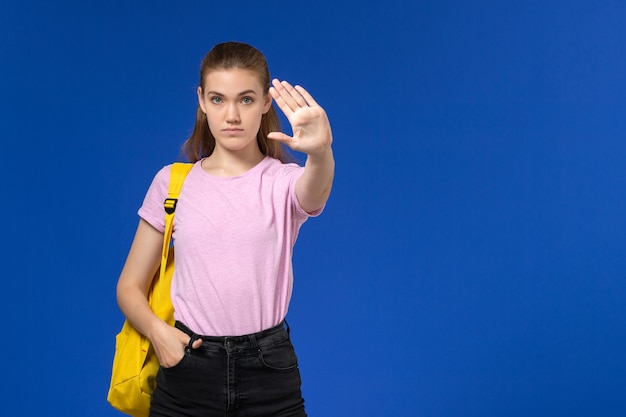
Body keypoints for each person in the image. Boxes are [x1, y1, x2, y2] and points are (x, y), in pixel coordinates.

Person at [115, 41, 334, 417]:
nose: (232, 114)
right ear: (201, 100)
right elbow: (129, 286)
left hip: (269, 371)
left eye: (246, 100)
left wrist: (321, 151)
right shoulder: (172, 184)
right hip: (187, 367)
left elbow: (314, 191)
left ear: (266, 103)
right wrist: (160, 335)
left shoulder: (283, 182)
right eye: (218, 99)